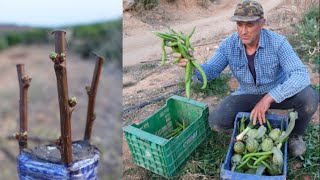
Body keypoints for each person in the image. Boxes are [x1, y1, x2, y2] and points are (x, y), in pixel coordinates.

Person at [176, 0, 319, 157]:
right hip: (248, 93)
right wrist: (192, 66)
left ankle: (294, 135)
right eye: (239, 24)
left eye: (249, 25)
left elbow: (300, 74)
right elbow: (209, 72)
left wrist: (269, 98)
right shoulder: (228, 45)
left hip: (277, 92)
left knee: (309, 97)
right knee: (217, 122)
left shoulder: (278, 43)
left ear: (262, 23)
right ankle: (250, 125)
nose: (243, 31)